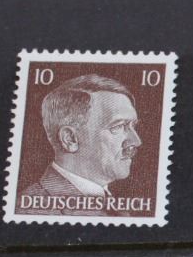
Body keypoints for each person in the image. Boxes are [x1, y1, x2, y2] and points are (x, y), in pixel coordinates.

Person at [21, 74, 141, 214]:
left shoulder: (115, 209)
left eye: (133, 126)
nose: (136, 141)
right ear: (70, 139)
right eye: (118, 127)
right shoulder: (31, 212)